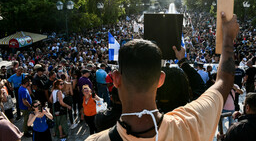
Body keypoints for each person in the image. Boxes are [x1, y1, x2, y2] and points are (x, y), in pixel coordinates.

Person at [86, 11, 239, 141]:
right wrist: (228, 37)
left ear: (116, 79)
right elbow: (224, 81)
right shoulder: (189, 126)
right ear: (160, 79)